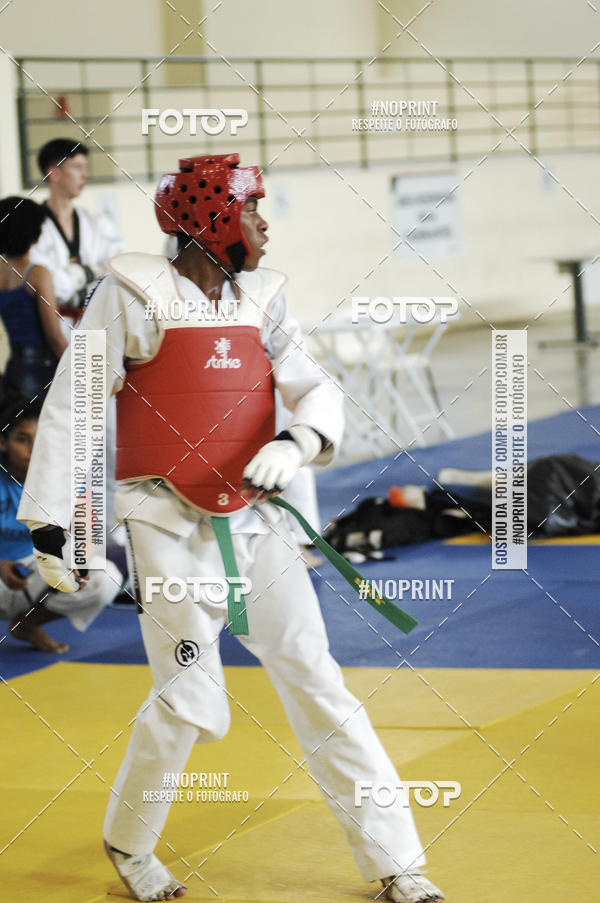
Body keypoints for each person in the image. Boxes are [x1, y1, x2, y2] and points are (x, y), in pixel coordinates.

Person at [18, 153, 444, 903]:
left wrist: (297, 442)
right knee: (191, 699)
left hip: (257, 519)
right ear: (215, 217)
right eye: (254, 208)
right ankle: (130, 840)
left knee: (318, 681)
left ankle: (397, 859)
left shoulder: (264, 297)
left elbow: (315, 386)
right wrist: (55, 525)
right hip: (164, 521)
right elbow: (76, 404)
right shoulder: (135, 295)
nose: (265, 222)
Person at [0, 392, 120, 652]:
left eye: (40, 440)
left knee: (104, 576)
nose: (32, 450)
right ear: (3, 442)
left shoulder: (66, 480)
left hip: (33, 576)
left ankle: (28, 625)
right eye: (22, 439)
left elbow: (84, 535)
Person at [30, 138, 123, 330]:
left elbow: (119, 267)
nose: (84, 175)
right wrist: (93, 270)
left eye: (85, 168)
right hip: (55, 328)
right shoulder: (34, 227)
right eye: (77, 168)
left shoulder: (96, 222)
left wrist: (74, 276)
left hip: (98, 323)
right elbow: (53, 287)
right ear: (54, 173)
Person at [0, 197, 68, 399]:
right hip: (42, 370)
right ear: (34, 234)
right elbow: (54, 337)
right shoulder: (38, 274)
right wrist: (78, 368)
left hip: (15, 368)